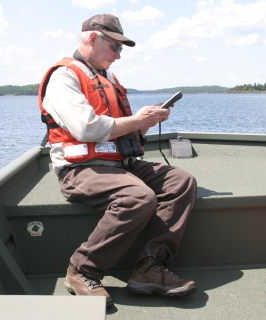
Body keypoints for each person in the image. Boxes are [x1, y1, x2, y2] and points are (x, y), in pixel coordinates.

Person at [38, 14, 197, 307]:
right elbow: (87, 128)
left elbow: (121, 129)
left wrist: (145, 122)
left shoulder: (107, 78)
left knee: (181, 181)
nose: (118, 56)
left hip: (119, 164)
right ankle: (82, 270)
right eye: (115, 47)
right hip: (80, 169)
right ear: (93, 38)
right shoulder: (64, 77)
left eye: (121, 50)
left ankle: (149, 267)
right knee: (138, 197)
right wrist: (137, 120)